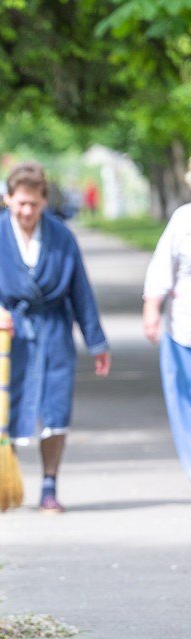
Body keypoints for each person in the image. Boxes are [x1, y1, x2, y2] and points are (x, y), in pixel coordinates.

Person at [0, 161, 111, 514]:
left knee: (55, 410)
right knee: (1, 408)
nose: (27, 211)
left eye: (34, 204)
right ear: (8, 199)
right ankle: (4, 483)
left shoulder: (62, 237)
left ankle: (49, 487)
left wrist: (96, 341)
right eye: (21, 203)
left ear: (44, 201)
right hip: (7, 336)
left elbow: (80, 291)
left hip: (53, 332)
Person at [142, 161, 191, 480]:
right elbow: (162, 267)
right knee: (184, 402)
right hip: (184, 330)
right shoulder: (183, 219)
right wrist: (152, 309)